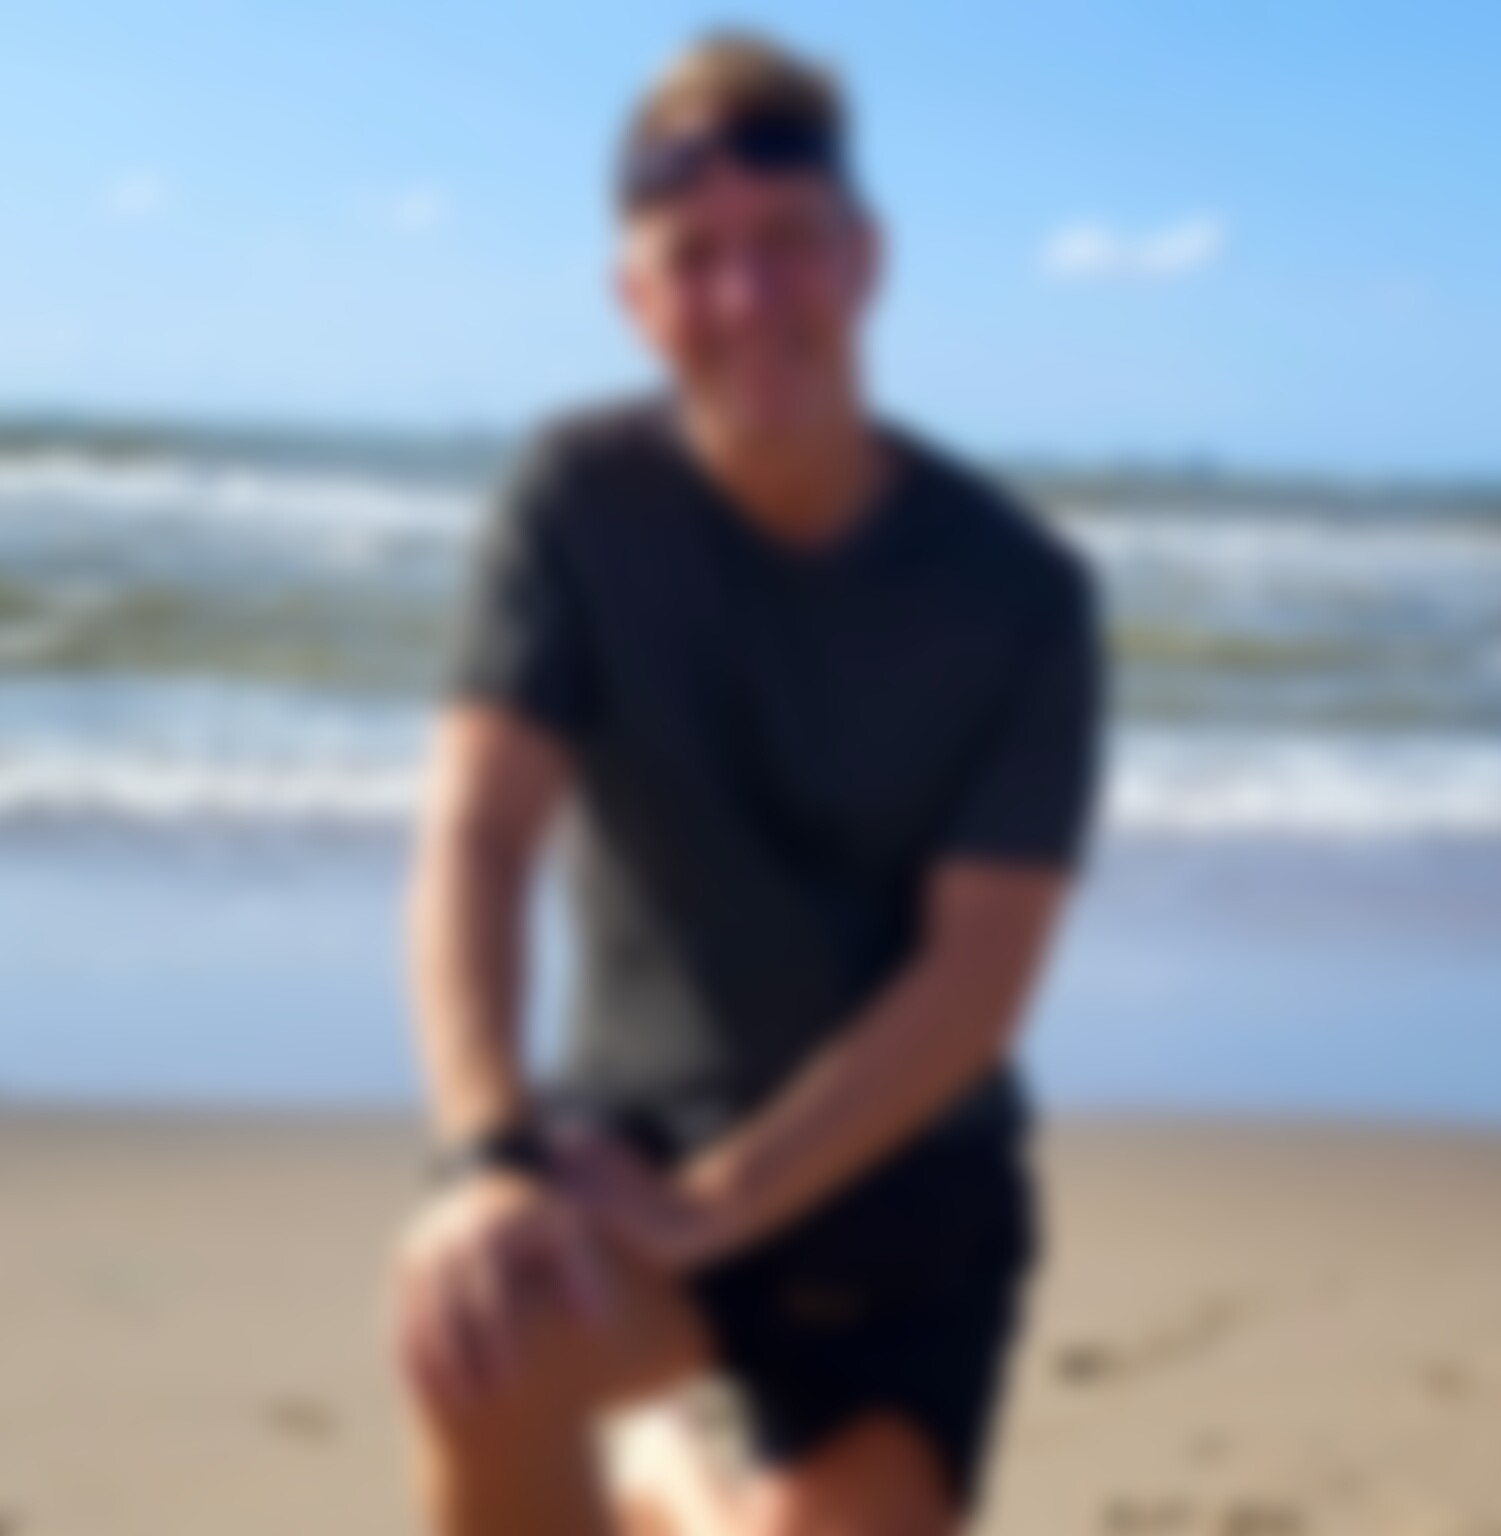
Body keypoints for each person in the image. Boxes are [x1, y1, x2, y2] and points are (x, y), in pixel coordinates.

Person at [390, 28, 1105, 1536]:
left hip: (905, 1193)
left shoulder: (1021, 593)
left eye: (787, 243)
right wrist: (487, 1156)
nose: (748, 297)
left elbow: (976, 984)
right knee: (477, 1331)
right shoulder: (577, 503)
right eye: (695, 256)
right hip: (629, 1147)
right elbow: (478, 832)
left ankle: (672, 1464)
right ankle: (665, 1437)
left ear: (864, 261)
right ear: (636, 299)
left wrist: (714, 1208)